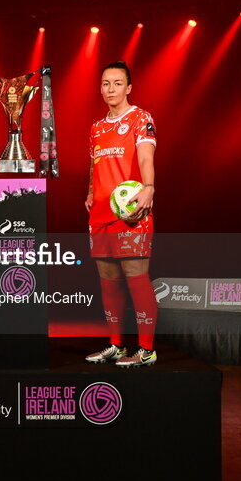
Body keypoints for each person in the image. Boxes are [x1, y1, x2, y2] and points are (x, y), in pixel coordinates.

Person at [84, 60, 159, 367]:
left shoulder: (141, 117)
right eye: (105, 83)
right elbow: (94, 164)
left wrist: (149, 186)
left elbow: (145, 155)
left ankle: (146, 350)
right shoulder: (97, 127)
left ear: (128, 88)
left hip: (131, 212)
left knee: (135, 275)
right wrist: (90, 191)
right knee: (108, 279)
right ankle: (115, 345)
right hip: (100, 213)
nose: (110, 89)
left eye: (117, 83)